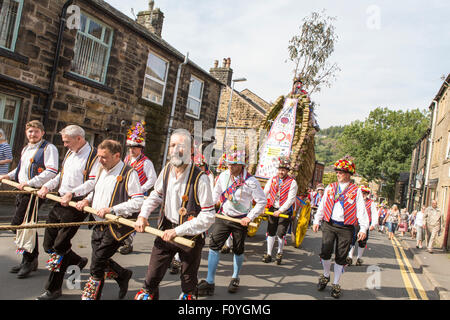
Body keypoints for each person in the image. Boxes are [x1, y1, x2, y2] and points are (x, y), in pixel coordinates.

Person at [134, 129, 215, 300]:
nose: (175, 150)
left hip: (190, 236)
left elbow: (208, 216)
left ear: (191, 150)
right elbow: (156, 195)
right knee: (151, 279)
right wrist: (143, 215)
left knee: (188, 282)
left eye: (181, 146)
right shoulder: (167, 170)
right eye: (172, 145)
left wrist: (178, 231)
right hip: (165, 230)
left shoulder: (201, 178)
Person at [35, 125, 100, 300]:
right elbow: (61, 176)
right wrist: (47, 185)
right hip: (60, 201)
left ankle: (53, 289)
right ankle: (76, 261)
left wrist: (73, 193)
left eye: (67, 141)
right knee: (48, 245)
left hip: (76, 205)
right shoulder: (71, 153)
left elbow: (93, 183)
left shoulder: (94, 156)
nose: (65, 145)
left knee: (59, 248)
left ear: (79, 138)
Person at [75, 139, 144, 300]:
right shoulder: (101, 169)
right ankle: (122, 275)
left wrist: (112, 210)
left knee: (97, 263)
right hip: (98, 222)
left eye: (104, 157)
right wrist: (87, 200)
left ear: (117, 155)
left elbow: (138, 201)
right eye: (98, 156)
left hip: (116, 225)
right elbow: (97, 191)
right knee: (100, 258)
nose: (99, 160)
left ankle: (90, 296)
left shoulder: (129, 173)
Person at [197, 145, 266, 296]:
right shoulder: (223, 176)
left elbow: (262, 201)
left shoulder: (251, 181)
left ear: (242, 165)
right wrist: (207, 207)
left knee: (238, 250)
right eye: (228, 163)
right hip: (223, 217)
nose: (229, 166)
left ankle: (235, 277)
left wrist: (249, 217)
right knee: (214, 246)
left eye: (233, 164)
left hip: (240, 220)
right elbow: (216, 196)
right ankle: (209, 281)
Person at [0, 120, 58, 279]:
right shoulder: (26, 148)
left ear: (42, 133)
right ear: (26, 133)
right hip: (22, 190)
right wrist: (8, 176)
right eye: (30, 131)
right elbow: (20, 169)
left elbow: (52, 171)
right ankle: (29, 259)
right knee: (26, 226)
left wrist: (30, 184)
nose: (33, 134)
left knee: (18, 225)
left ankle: (30, 259)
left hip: (34, 192)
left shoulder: (48, 148)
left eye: (36, 131)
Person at [312, 156, 368, 299]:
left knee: (341, 257)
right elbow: (323, 204)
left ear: (349, 174)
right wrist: (317, 220)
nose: (338, 174)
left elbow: (361, 210)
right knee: (325, 252)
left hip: (346, 227)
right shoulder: (330, 187)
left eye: (341, 172)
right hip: (329, 224)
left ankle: (336, 283)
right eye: (337, 172)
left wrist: (363, 229)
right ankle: (325, 275)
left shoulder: (356, 191)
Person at [118, 122, 157, 255]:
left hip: (139, 195)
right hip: (126, 193)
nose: (131, 150)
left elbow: (153, 180)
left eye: (135, 147)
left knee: (134, 218)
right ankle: (122, 239)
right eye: (130, 147)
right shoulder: (127, 159)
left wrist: (140, 189)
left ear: (141, 148)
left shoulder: (146, 162)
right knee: (123, 215)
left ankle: (128, 243)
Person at [262, 156, 298, 265]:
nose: (280, 172)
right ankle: (268, 254)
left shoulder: (292, 183)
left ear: (287, 171)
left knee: (280, 233)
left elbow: (291, 199)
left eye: (283, 170)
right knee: (271, 231)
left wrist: (281, 210)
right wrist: (263, 206)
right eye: (279, 169)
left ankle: (279, 252)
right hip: (273, 208)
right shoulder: (272, 179)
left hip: (285, 210)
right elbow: (265, 193)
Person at [346, 186, 378, 266]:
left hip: (365, 224)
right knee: (351, 240)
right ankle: (349, 257)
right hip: (354, 223)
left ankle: (359, 258)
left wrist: (373, 224)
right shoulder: (354, 200)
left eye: (365, 193)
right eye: (362, 193)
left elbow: (374, 214)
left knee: (362, 241)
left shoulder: (371, 203)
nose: (363, 194)